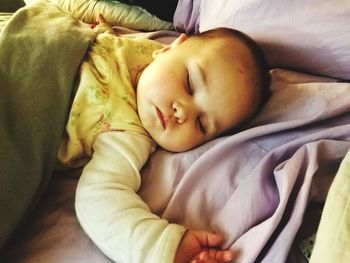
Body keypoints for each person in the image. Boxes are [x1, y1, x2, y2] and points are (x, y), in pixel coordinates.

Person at [61, 15, 271, 263]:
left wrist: (166, 247)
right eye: (189, 84)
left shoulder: (125, 135)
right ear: (172, 48)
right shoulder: (147, 50)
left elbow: (99, 197)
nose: (183, 112)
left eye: (201, 124)